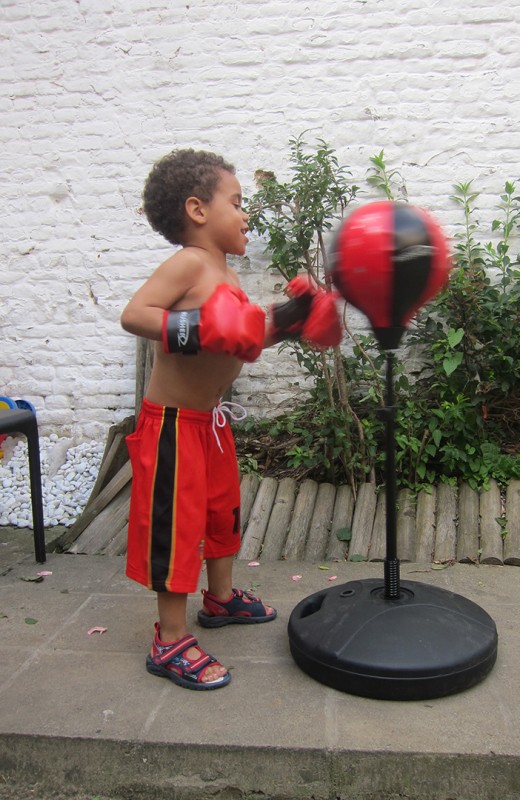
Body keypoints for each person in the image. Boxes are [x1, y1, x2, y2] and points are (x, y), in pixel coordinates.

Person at [121, 148, 341, 690]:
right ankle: (169, 639)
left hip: (210, 423)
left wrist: (289, 320)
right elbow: (135, 314)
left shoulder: (226, 275)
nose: (246, 215)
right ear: (198, 210)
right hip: (172, 424)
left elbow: (239, 339)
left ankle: (219, 600)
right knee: (176, 529)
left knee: (223, 514)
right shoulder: (189, 264)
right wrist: (196, 327)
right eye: (237, 203)